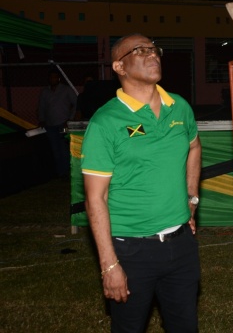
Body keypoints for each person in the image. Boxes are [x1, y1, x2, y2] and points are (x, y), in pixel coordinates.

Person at [81, 33, 202, 333]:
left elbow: (195, 147)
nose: (153, 55)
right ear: (119, 67)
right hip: (130, 250)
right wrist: (109, 265)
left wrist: (192, 198)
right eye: (140, 50)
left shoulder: (180, 108)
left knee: (185, 326)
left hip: (181, 245)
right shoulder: (105, 122)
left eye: (154, 49)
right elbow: (95, 198)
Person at [38, 68, 77, 178]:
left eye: (55, 77)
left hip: (63, 124)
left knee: (64, 149)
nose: (52, 79)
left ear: (59, 78)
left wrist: (70, 119)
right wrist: (42, 119)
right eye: (51, 77)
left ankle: (66, 171)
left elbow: (76, 103)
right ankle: (60, 172)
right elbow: (41, 106)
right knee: (55, 149)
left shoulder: (66, 90)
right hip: (50, 125)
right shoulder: (45, 91)